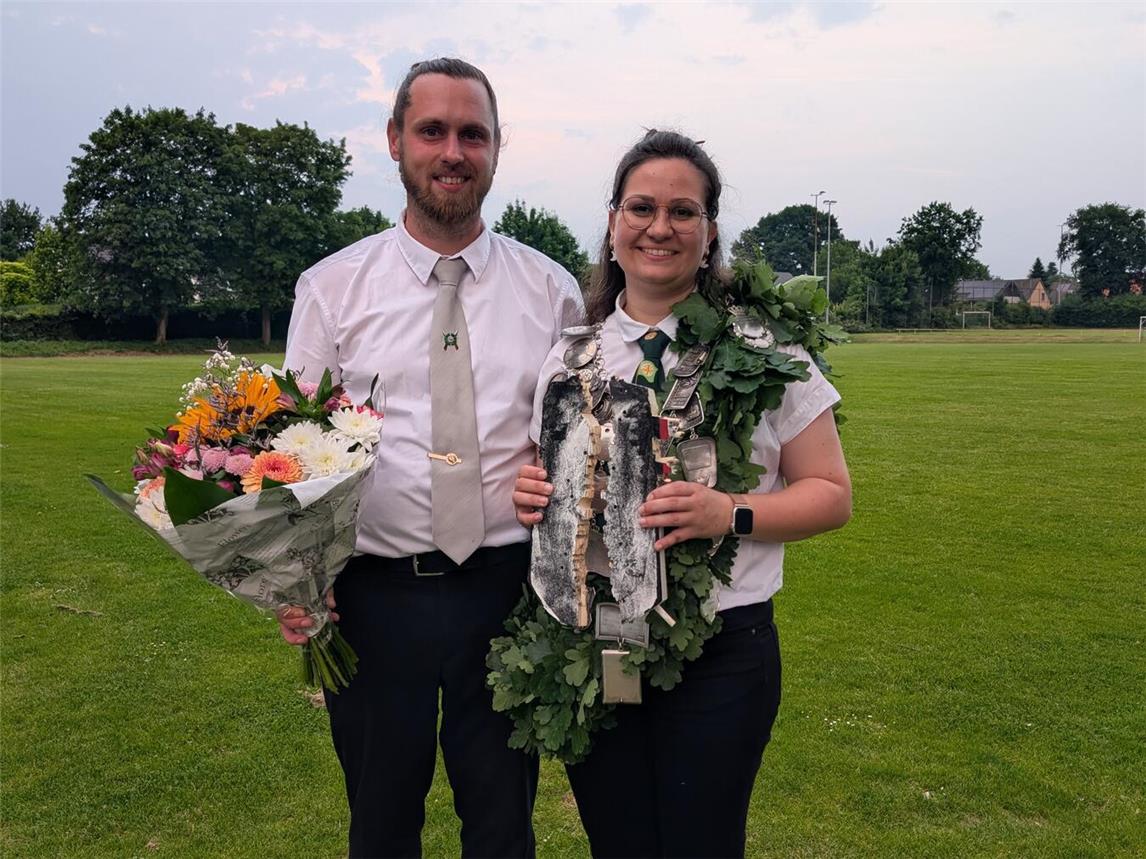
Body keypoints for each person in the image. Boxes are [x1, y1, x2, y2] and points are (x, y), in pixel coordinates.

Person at [513, 130, 852, 858]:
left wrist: (729, 511)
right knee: (620, 844)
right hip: (597, 637)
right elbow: (543, 480)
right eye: (640, 206)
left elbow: (831, 492)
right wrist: (533, 494)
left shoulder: (764, 347)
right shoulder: (571, 352)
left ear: (710, 231)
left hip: (722, 652)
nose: (658, 226)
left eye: (682, 210)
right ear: (612, 223)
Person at [277, 58, 584, 858]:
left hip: (506, 592)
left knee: (502, 824)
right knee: (380, 824)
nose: (453, 150)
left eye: (472, 133)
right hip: (373, 599)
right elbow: (291, 457)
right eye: (433, 130)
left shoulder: (551, 292)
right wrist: (292, 578)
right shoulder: (332, 288)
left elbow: (579, 447)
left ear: (495, 149)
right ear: (394, 141)